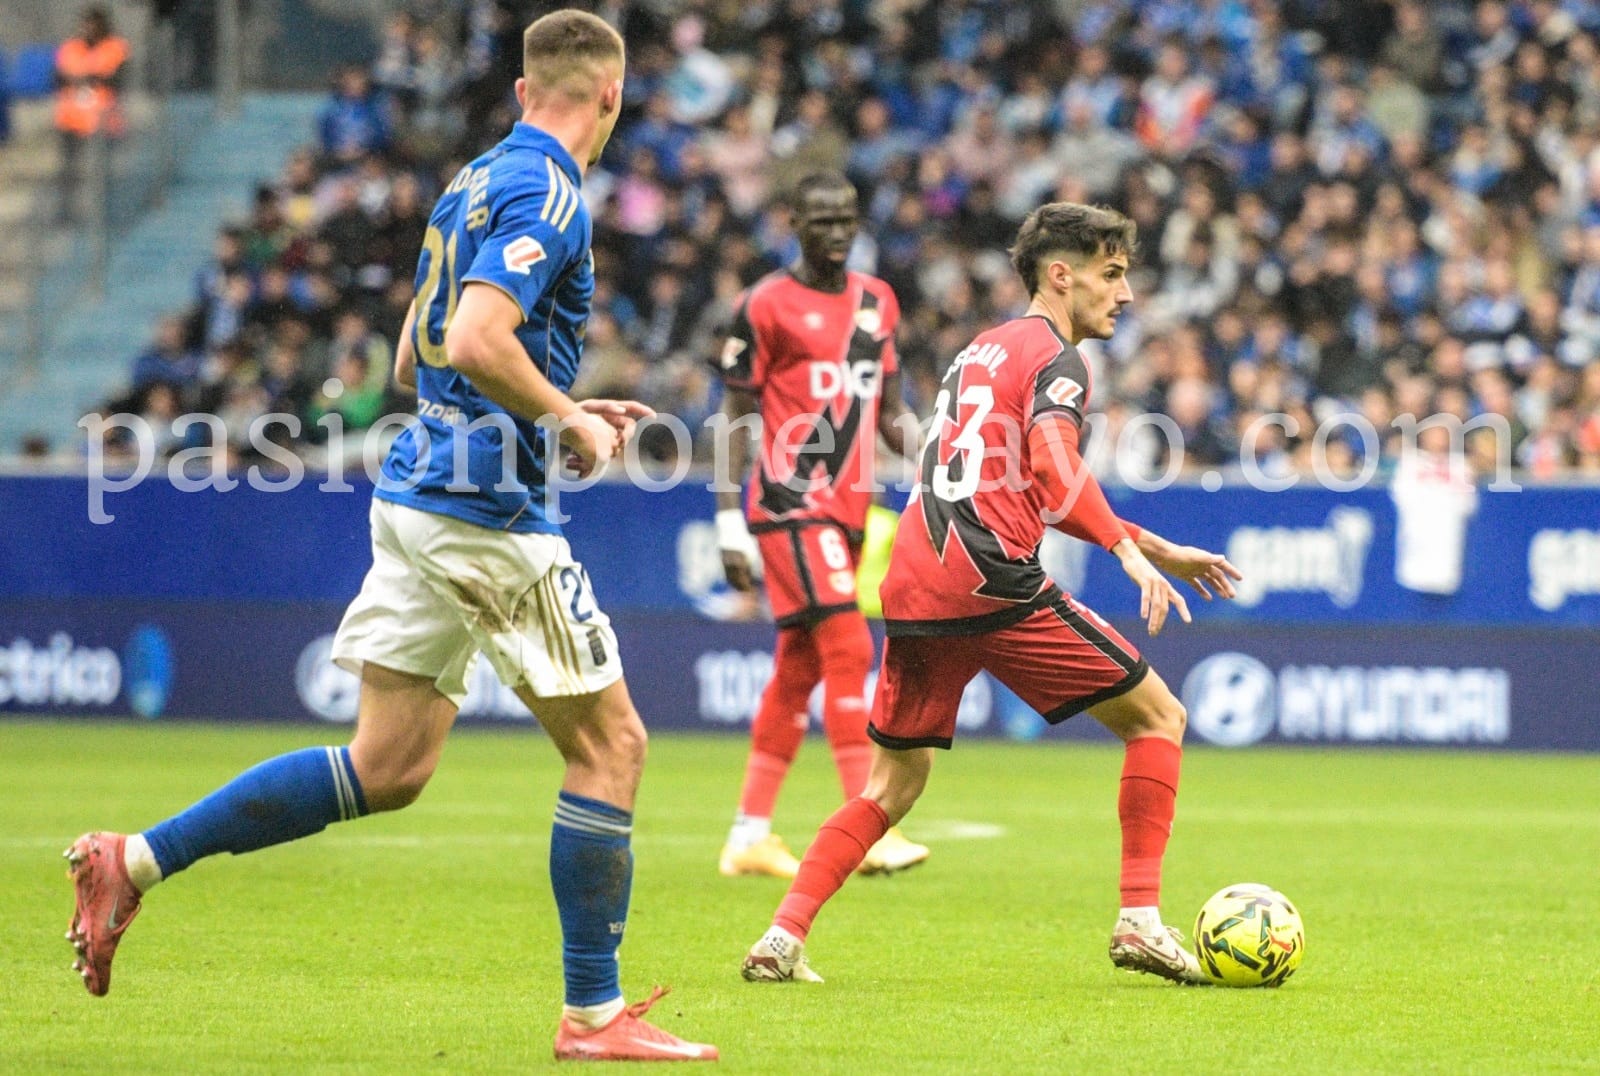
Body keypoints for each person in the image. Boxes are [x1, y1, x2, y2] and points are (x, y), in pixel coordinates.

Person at [64, 11, 717, 1062]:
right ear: (613, 94)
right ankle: (593, 1015)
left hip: (417, 491)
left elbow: (421, 360)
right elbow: (472, 336)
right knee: (613, 745)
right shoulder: (550, 191)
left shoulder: (472, 182)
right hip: (485, 515)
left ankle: (130, 860)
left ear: (519, 92)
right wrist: (568, 418)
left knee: (388, 762)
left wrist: (565, 403)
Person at [740, 202, 1242, 986]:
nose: (1127, 293)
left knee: (891, 786)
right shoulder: (1060, 360)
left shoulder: (981, 351)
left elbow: (1015, 483)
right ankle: (1140, 918)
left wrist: (1149, 543)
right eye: (1112, 275)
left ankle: (782, 935)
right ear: (1061, 274)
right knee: (1158, 718)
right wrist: (1120, 550)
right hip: (990, 583)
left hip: (914, 584)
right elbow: (1050, 464)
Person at [712, 172, 929, 879]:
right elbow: (735, 416)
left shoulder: (878, 303)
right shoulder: (765, 305)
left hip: (850, 507)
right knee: (846, 644)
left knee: (798, 667)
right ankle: (864, 824)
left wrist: (938, 456)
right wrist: (726, 522)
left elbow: (888, 412)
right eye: (822, 219)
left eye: (847, 218)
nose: (837, 231)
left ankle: (749, 834)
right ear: (794, 223)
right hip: (788, 499)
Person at [53, 6, 128, 222]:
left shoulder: (115, 47)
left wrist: (88, 78)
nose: (89, 28)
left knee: (102, 174)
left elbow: (117, 79)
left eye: (93, 23)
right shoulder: (70, 48)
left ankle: (103, 215)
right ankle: (68, 215)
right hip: (71, 120)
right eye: (85, 23)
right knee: (70, 173)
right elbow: (57, 77)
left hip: (103, 121)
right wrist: (89, 78)